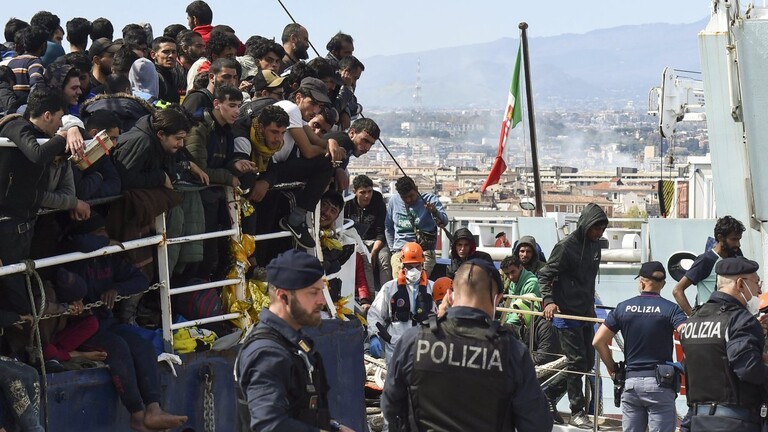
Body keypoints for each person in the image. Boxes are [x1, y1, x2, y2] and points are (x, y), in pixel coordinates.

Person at [381, 258, 552, 432]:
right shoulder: (512, 351)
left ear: (449, 295)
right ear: (497, 299)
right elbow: (537, 424)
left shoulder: (413, 341)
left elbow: (390, 407)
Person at [235, 249, 354, 432]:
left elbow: (300, 412)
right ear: (283, 296)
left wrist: (334, 428)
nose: (322, 301)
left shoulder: (293, 344)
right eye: (313, 293)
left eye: (321, 291)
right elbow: (268, 425)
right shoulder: (266, 354)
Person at [593, 261, 687, 432]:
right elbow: (689, 336)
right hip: (661, 385)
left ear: (642, 282)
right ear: (663, 284)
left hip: (631, 384)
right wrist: (681, 364)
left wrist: (613, 368)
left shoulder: (623, 308)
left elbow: (598, 341)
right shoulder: (671, 309)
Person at [539, 202, 608, 428]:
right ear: (586, 224)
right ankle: (577, 411)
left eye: (602, 229)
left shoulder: (595, 246)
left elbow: (588, 281)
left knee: (586, 363)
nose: (600, 233)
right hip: (566, 314)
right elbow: (544, 275)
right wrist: (548, 300)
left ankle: (549, 393)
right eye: (596, 228)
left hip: (586, 313)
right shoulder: (565, 247)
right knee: (577, 362)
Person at [679, 257, 764, 431]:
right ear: (740, 284)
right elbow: (748, 369)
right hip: (735, 422)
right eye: (757, 283)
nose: (759, 291)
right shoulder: (740, 319)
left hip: (699, 420)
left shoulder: (693, 319)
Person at [367, 242, 435, 364]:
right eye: (409, 266)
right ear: (402, 265)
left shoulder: (433, 288)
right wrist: (373, 336)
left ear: (422, 265)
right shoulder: (389, 288)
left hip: (424, 346)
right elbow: (375, 314)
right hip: (396, 344)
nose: (413, 270)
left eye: (417, 266)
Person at [672, 215, 745, 316]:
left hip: (730, 319)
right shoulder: (706, 260)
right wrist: (694, 318)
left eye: (739, 239)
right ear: (720, 237)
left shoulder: (736, 257)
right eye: (734, 239)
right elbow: (677, 290)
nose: (738, 244)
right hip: (709, 319)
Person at [385, 176, 448, 278]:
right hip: (401, 251)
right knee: (398, 282)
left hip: (424, 251)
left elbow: (444, 222)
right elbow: (388, 227)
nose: (408, 200)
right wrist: (393, 249)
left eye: (411, 196)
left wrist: (434, 212)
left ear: (416, 189)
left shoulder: (429, 200)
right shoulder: (394, 201)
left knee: (420, 281)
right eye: (404, 197)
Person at [345, 175, 391, 290]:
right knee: (366, 260)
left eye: (369, 191)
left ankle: (387, 294)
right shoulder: (348, 203)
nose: (367, 196)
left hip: (376, 241)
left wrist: (374, 251)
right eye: (363, 192)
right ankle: (369, 295)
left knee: (385, 258)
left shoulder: (377, 200)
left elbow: (381, 230)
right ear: (355, 192)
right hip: (357, 241)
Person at [500, 254, 541, 324]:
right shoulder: (513, 283)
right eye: (507, 274)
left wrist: (505, 325)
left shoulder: (531, 284)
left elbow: (526, 312)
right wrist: (501, 323)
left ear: (520, 267)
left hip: (528, 324)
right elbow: (509, 309)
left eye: (513, 272)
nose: (510, 277)